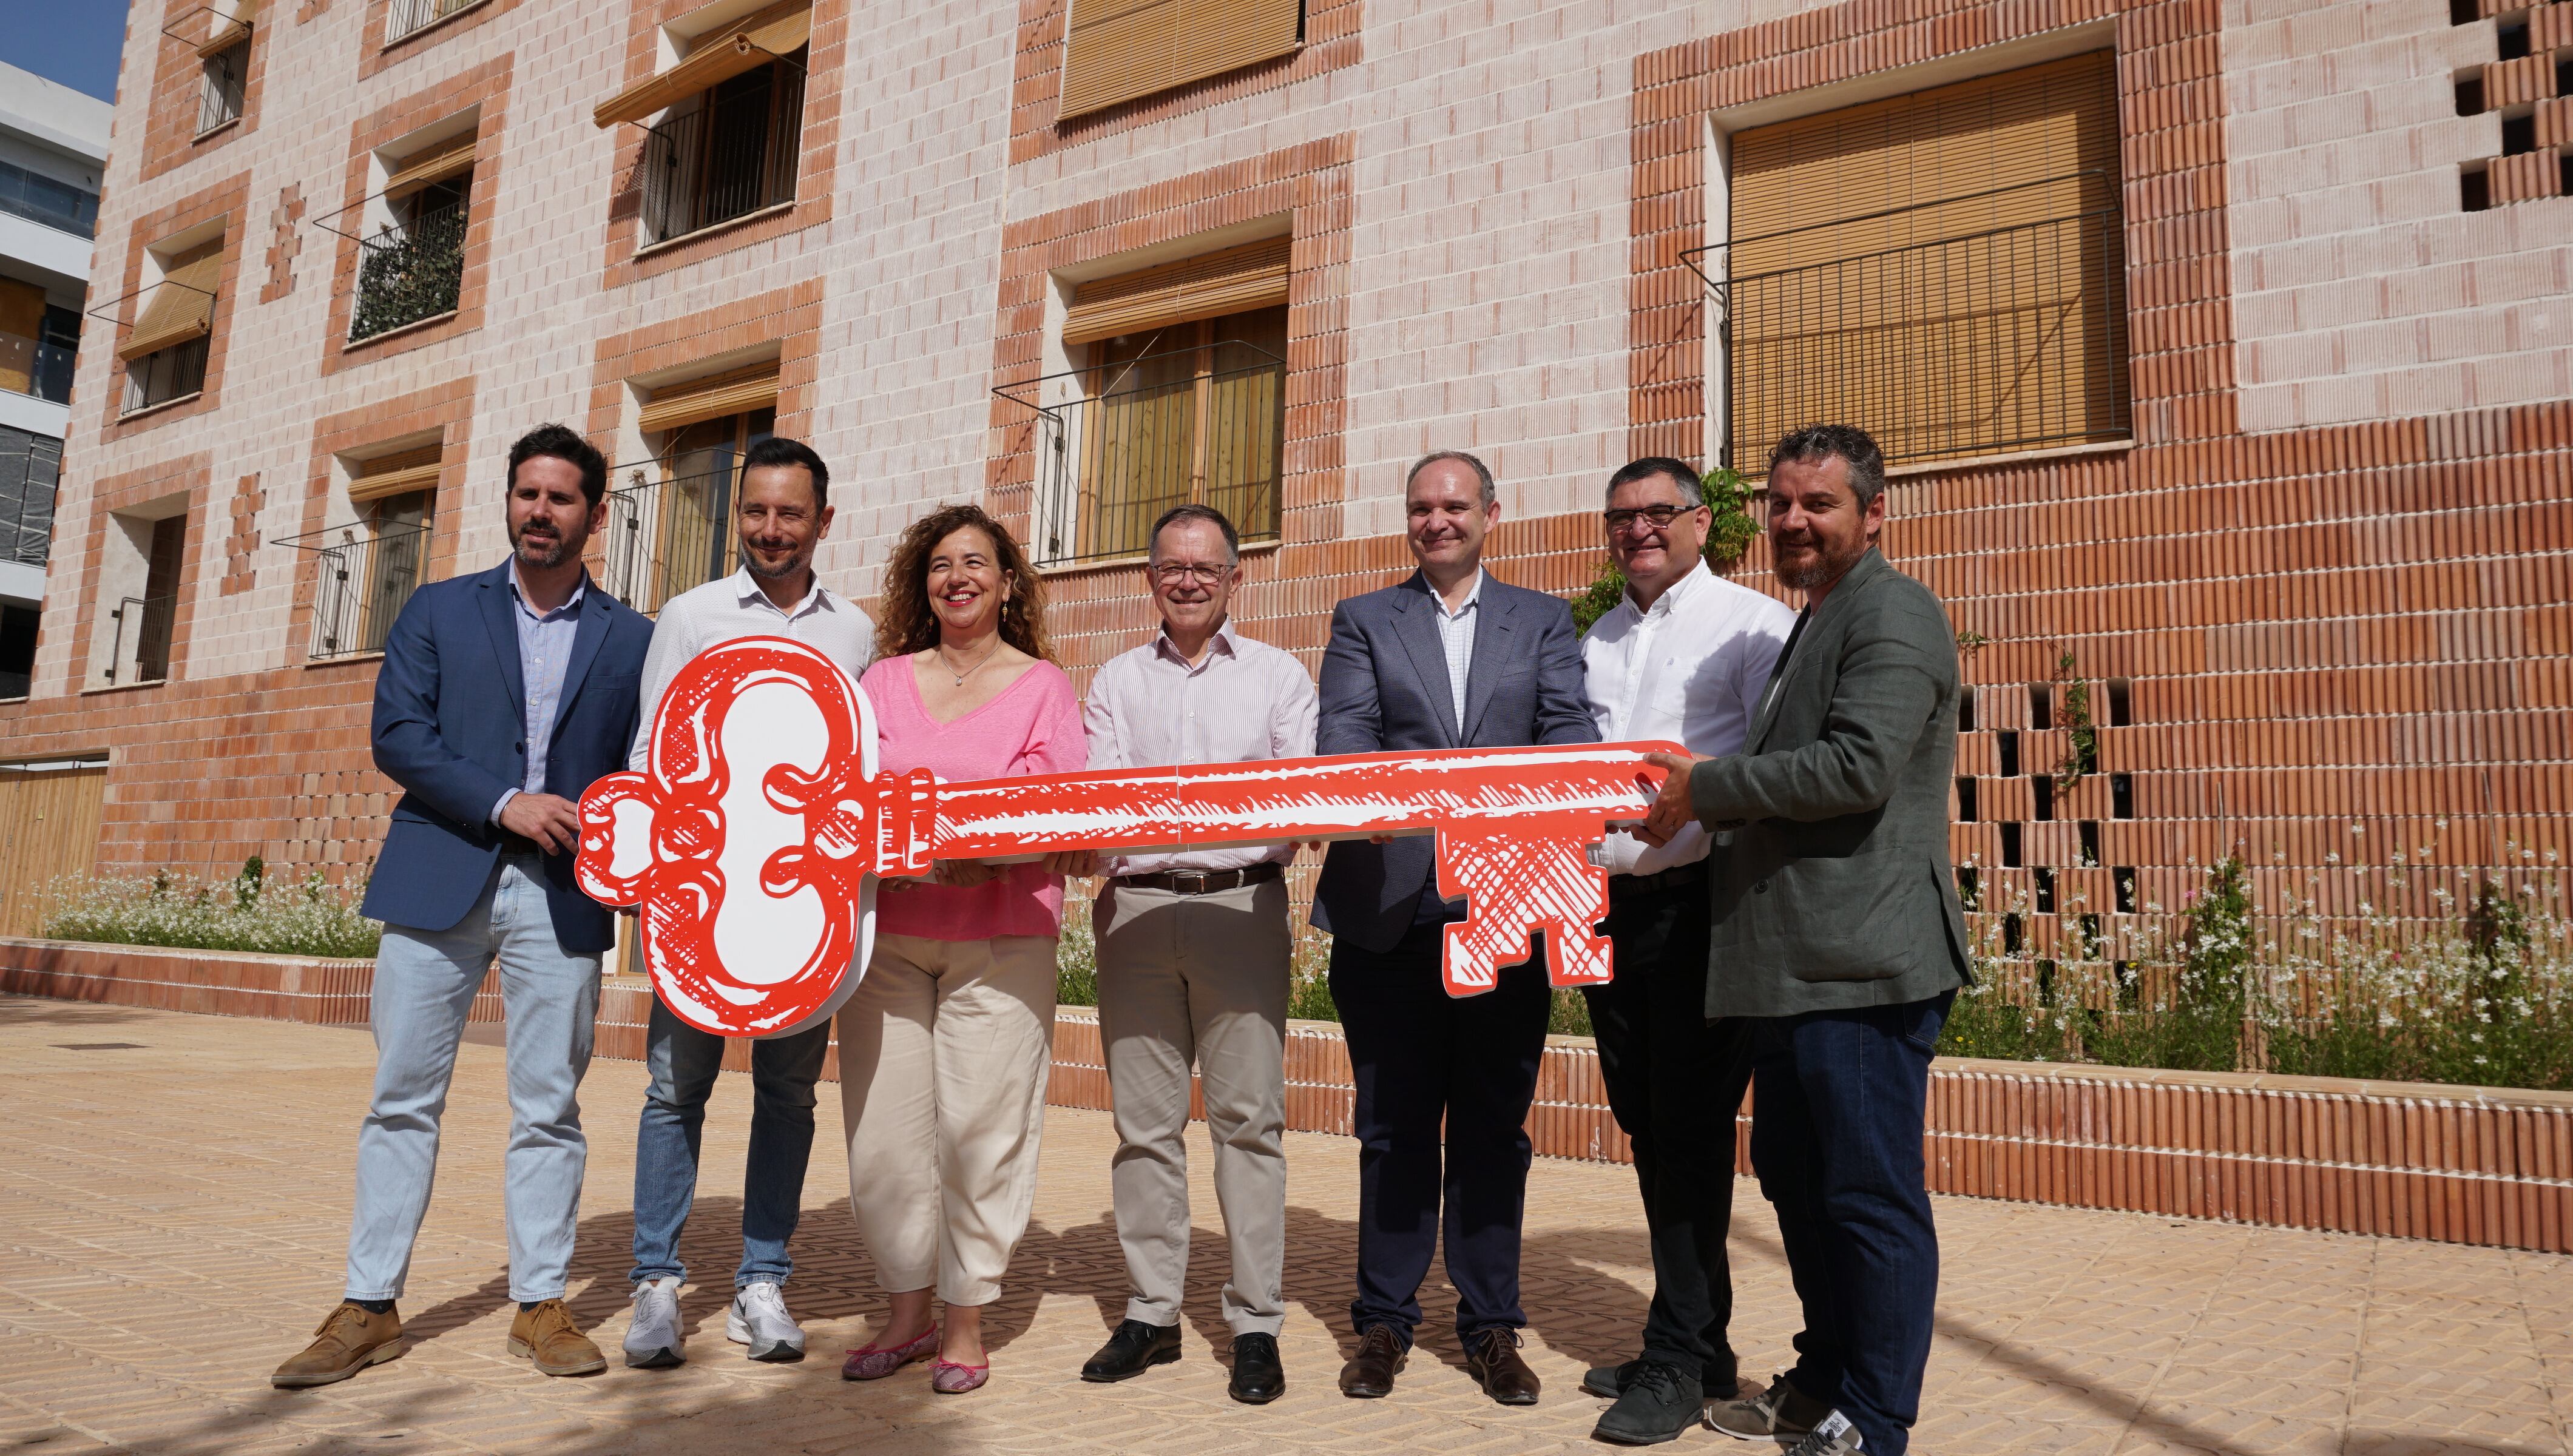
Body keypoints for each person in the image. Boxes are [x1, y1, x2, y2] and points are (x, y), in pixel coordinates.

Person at [272, 425, 653, 1389]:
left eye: (561, 498)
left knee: (549, 1108)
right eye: (528, 493)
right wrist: (502, 803)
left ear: (594, 515)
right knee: (402, 1097)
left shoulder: (633, 637)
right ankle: (369, 1304)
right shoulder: (438, 611)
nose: (540, 511)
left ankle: (541, 1305)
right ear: (509, 501)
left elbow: (648, 768)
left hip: (562, 896)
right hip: (441, 875)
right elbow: (398, 735)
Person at [1633, 423, 1970, 1456]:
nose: (1793, 520)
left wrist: (1706, 787)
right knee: (1797, 1178)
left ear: (1873, 513)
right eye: (1780, 503)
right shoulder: (1814, 619)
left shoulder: (1896, 613)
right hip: (1791, 968)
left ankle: (1873, 1418)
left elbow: (1856, 767)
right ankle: (1822, 1376)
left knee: (1867, 1197)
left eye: (1817, 504)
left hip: (1862, 966)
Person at [1313, 450, 1599, 1405]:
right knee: (1392, 1131)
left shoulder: (1544, 619)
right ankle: (1385, 1325)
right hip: (1390, 917)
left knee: (1490, 1132)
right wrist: (1462, 796)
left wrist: (1479, 806)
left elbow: (1569, 740)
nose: (1437, 521)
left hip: (1507, 913)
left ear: (1491, 514)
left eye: (1455, 506)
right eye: (1421, 508)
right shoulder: (1363, 620)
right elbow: (1347, 747)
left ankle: (1490, 1328)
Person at [618, 437, 873, 1369]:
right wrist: (657, 897)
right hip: (701, 905)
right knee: (672, 1089)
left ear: (823, 521)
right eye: (757, 513)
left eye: (791, 514)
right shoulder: (689, 615)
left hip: (802, 910)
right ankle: (655, 1283)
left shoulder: (854, 631)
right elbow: (653, 758)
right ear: (740, 518)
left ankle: (761, 1280)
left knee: (788, 1093)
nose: (772, 531)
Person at [1066, 504, 1317, 1405]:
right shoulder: (1116, 680)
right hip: (1134, 913)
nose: (1187, 581)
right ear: (1149, 577)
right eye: (1172, 566)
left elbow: (1296, 799)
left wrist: (1205, 817)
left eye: (1205, 568)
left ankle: (1256, 1323)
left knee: (1249, 1124)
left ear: (1235, 578)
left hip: (1241, 907)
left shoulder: (1282, 678)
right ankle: (1152, 1313)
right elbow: (1102, 798)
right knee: (1144, 1128)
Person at [835, 503, 1085, 1396]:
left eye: (976, 562)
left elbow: (1060, 816)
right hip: (889, 943)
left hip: (1002, 939)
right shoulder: (878, 684)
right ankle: (904, 1315)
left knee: (981, 1133)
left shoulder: (1046, 688)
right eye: (941, 565)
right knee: (886, 1140)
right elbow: (841, 800)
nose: (958, 578)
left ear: (1007, 582)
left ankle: (965, 1321)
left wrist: (960, 853)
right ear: (923, 584)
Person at [1576, 457, 1794, 1445]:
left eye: (1659, 513)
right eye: (1622, 518)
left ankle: (1676, 1359)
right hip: (1610, 910)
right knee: (1647, 1126)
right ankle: (1700, 1342)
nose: (1639, 530)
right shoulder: (1596, 640)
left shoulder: (1753, 625)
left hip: (1708, 905)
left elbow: (1773, 764)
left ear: (1702, 524)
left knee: (1693, 1125)